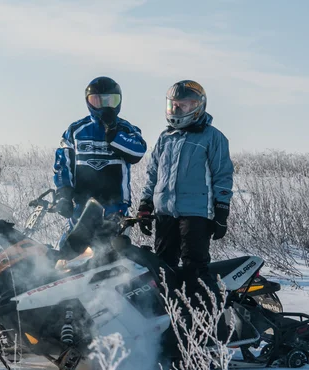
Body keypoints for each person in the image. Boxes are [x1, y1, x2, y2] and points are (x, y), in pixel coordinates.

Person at [137, 80, 234, 293]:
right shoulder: (165, 137)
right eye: (174, 105)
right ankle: (172, 315)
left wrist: (221, 209)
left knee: (194, 269)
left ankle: (205, 318)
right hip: (165, 211)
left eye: (185, 105)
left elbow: (222, 175)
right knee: (162, 269)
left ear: (198, 107)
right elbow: (153, 174)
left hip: (196, 213)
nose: (178, 109)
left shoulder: (213, 137)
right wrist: (145, 204)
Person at [53, 76, 147, 241]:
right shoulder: (76, 130)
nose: (104, 106)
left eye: (110, 100)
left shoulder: (127, 129)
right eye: (97, 101)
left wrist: (113, 134)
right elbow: (63, 164)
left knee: (112, 255)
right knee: (69, 251)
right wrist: (64, 194)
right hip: (82, 206)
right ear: (89, 102)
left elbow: (137, 152)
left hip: (115, 205)